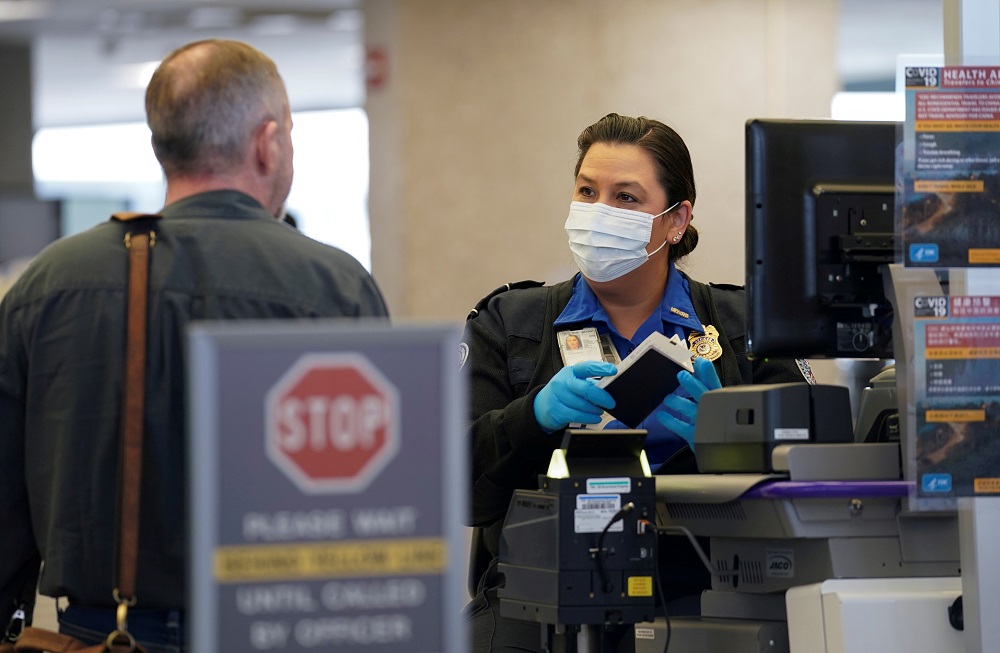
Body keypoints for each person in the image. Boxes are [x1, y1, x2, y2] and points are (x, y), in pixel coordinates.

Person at [0, 39, 388, 653]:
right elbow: (372, 505)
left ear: (164, 144)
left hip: (101, 636)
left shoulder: (47, 285)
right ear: (268, 143)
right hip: (281, 629)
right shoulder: (334, 287)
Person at [462, 113, 809, 652]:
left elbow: (815, 485)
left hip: (703, 590)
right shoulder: (511, 325)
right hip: (539, 595)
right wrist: (532, 418)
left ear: (676, 219)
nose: (599, 212)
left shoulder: (747, 329)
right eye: (586, 191)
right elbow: (456, 489)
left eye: (625, 198)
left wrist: (727, 441)